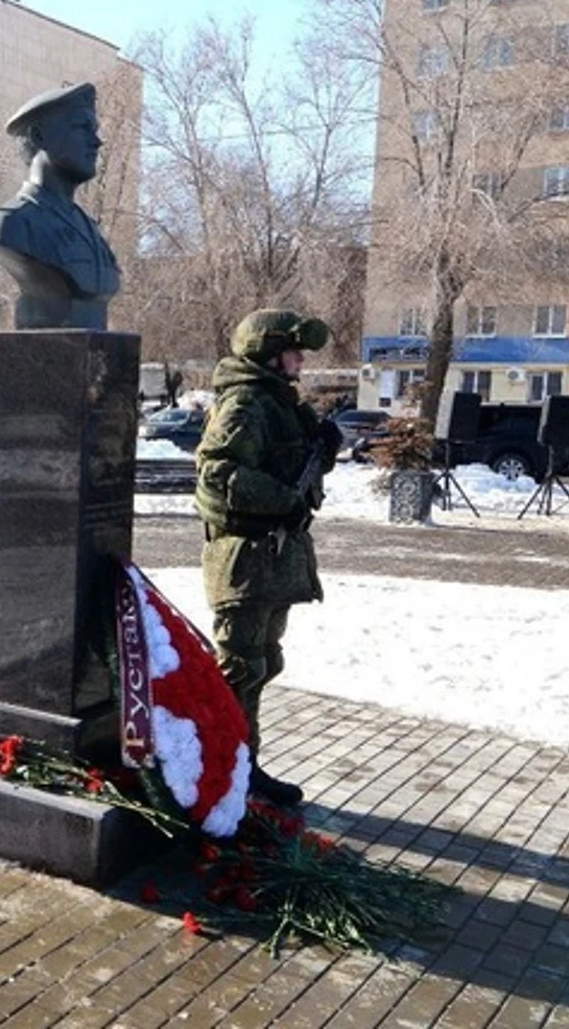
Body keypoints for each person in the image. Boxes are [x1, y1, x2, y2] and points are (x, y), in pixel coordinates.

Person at [193, 309, 342, 810]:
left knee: (262, 663)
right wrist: (284, 498)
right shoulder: (246, 404)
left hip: (272, 559)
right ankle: (225, 769)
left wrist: (322, 452)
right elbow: (217, 478)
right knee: (239, 667)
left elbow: (287, 468)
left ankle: (241, 764)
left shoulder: (279, 404)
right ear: (268, 353)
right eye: (294, 350)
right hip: (245, 560)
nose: (301, 360)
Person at [0, 82, 120, 330]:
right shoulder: (12, 224)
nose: (97, 142)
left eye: (94, 130)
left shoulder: (92, 231)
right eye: (81, 128)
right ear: (39, 137)